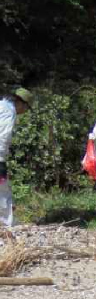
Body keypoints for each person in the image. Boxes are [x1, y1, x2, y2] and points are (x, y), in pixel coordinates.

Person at [0, 88, 34, 227]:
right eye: (26, 108)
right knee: (3, 190)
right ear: (21, 103)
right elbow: (3, 135)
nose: (24, 111)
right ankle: (6, 223)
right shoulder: (9, 112)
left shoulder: (1, 105)